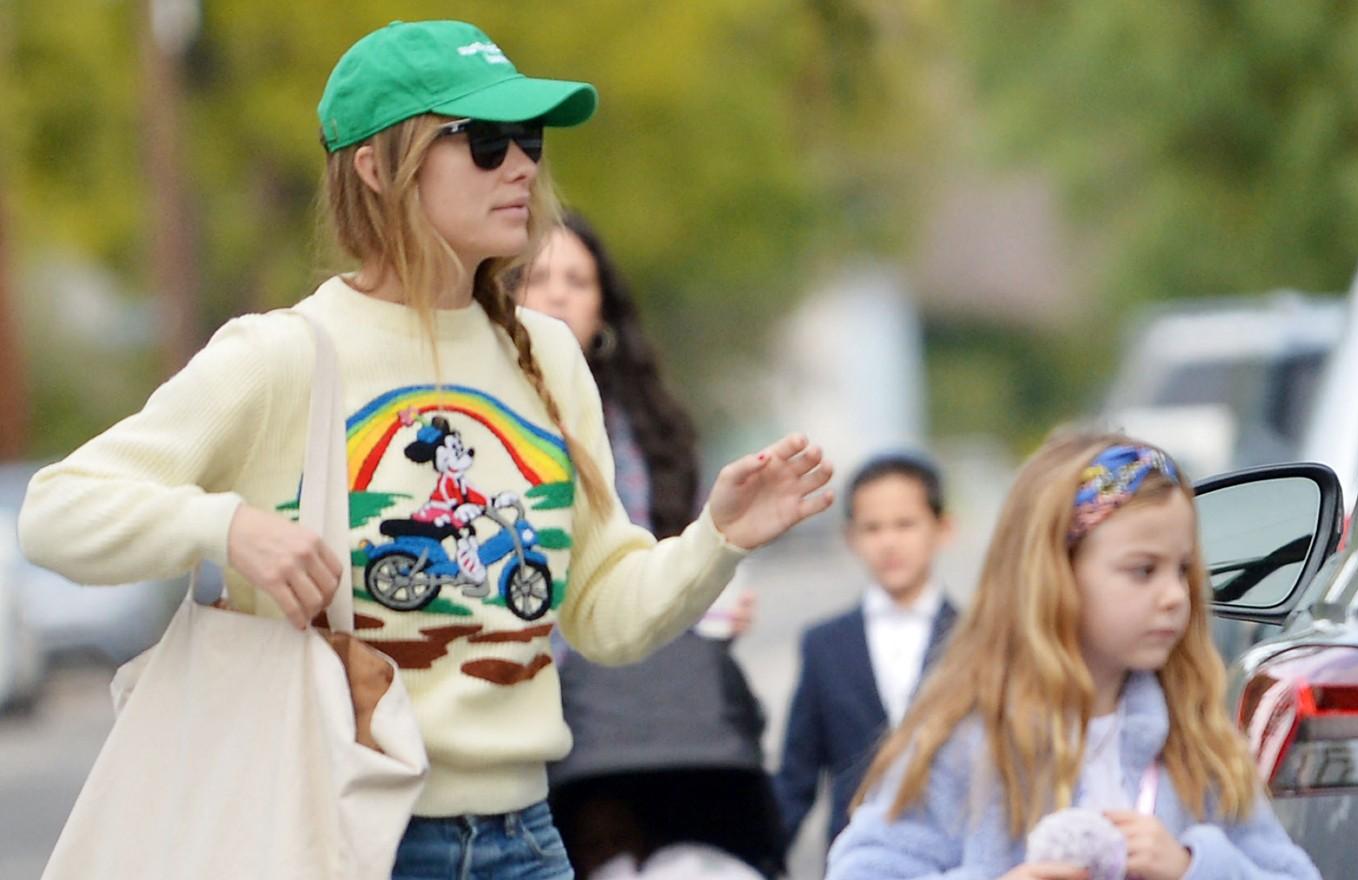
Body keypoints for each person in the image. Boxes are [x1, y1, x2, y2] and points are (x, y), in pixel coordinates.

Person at [17, 19, 833, 880]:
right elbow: (57, 511)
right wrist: (227, 528)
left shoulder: (550, 355)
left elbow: (605, 616)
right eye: (483, 142)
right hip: (340, 836)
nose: (521, 164)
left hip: (527, 839)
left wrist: (718, 537)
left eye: (529, 138)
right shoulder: (283, 355)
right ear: (377, 166)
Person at [825, 432, 1320, 880]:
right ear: (1054, 576)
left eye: (1183, 569)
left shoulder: (1196, 741)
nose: (1175, 595)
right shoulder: (965, 738)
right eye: (1144, 571)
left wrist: (1194, 867)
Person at [519, 213, 781, 878]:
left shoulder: (652, 424)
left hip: (639, 700)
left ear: (604, 303)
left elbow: (688, 547)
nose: (557, 295)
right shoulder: (484, 414)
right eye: (537, 277)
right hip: (526, 688)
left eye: (576, 279)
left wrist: (709, 595)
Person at [774, 451, 959, 850]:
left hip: (954, 855)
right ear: (851, 538)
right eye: (872, 528)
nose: (889, 542)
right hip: (854, 857)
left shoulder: (978, 637)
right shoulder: (824, 645)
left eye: (905, 525)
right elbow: (796, 779)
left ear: (942, 529)